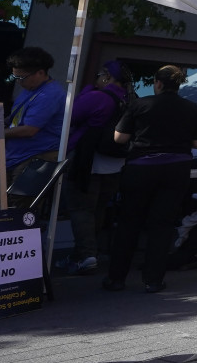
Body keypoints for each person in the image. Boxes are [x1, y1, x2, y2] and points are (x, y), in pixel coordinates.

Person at [103, 64, 197, 294]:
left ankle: (116, 278)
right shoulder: (192, 108)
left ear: (157, 83)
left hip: (141, 168)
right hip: (176, 170)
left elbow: (119, 138)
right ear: (178, 84)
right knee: (163, 225)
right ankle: (153, 280)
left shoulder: (140, 104)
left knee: (129, 222)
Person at [61, 60, 132, 275]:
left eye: (99, 76)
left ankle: (86, 254)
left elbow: (69, 117)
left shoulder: (98, 97)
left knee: (81, 208)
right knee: (98, 208)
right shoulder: (130, 100)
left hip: (88, 161)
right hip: (116, 163)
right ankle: (84, 253)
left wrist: (87, 90)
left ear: (107, 77)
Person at [0, 47, 65, 188]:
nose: (19, 82)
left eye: (22, 77)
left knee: (20, 204)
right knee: (4, 200)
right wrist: (3, 122)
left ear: (40, 73)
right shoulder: (30, 88)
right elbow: (18, 117)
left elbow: (29, 130)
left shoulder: (49, 95)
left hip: (35, 156)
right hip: (16, 156)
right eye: (15, 77)